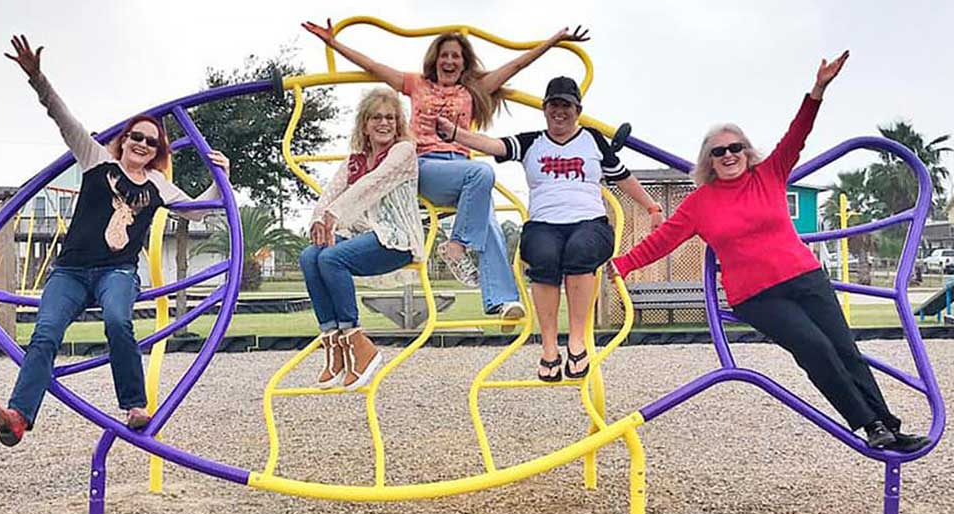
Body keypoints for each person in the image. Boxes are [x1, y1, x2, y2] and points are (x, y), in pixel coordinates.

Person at [610, 51, 929, 453]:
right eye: (718, 151)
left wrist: (817, 91)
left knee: (844, 348)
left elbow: (798, 134)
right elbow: (662, 241)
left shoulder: (771, 173)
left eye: (735, 148)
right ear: (708, 160)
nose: (728, 155)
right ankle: (868, 424)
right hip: (757, 296)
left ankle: (889, 427)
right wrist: (620, 264)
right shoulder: (699, 203)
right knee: (814, 349)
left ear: (747, 151)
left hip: (805, 277)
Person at [0, 35, 233, 446]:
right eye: (136, 136)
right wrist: (37, 77)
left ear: (156, 151)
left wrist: (220, 178)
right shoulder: (96, 160)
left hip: (116, 271)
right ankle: (18, 418)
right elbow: (62, 118)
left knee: (118, 321)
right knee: (45, 332)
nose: (142, 144)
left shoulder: (156, 184)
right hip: (71, 271)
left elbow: (199, 211)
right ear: (125, 138)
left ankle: (134, 404)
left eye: (151, 142)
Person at [302, 20, 590, 323]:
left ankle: (502, 300)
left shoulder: (472, 90)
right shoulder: (417, 84)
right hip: (424, 167)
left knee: (487, 214)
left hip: (460, 170)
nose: (450, 61)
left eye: (456, 57)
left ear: (464, 63)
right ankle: (456, 247)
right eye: (445, 55)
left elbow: (517, 64)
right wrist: (333, 44)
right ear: (435, 60)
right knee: (482, 174)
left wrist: (553, 41)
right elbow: (373, 66)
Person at [437, 76, 664, 381]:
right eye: (554, 105)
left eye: (566, 105)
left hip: (588, 221)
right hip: (544, 222)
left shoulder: (593, 140)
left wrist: (651, 207)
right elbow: (494, 145)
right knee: (542, 254)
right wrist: (455, 134)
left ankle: (577, 339)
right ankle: (548, 346)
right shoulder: (532, 142)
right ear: (544, 109)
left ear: (577, 110)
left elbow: (622, 176)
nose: (560, 112)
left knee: (580, 250)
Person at [299, 87, 424, 391]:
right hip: (364, 237)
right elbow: (332, 189)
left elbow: (373, 183)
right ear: (365, 125)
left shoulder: (402, 151)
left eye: (391, 118)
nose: (384, 124)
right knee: (310, 256)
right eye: (377, 118)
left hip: (397, 239)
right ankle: (335, 345)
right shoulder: (355, 159)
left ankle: (358, 344)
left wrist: (334, 214)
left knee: (331, 257)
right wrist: (319, 218)